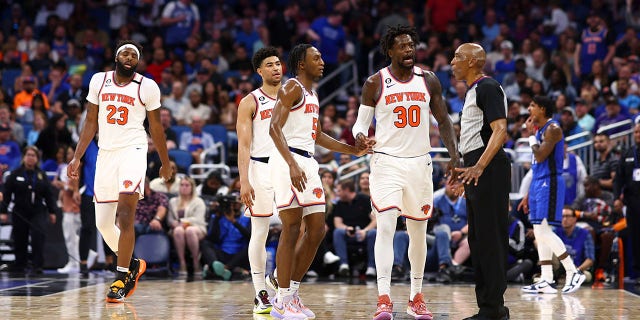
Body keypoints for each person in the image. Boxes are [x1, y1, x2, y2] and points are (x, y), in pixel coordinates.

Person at [353, 25, 460, 320]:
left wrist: (455, 156)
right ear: (390, 51)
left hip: (419, 164)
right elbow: (360, 125)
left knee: (417, 231)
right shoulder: (375, 82)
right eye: (402, 46)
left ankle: (416, 296)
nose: (409, 50)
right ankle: (384, 297)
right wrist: (361, 137)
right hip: (386, 163)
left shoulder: (429, 80)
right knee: (386, 226)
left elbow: (444, 120)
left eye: (412, 45)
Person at [67, 40, 172, 303]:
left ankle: (122, 275)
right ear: (116, 57)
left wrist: (165, 160)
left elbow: (156, 127)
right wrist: (77, 157)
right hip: (106, 154)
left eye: (134, 54)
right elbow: (91, 121)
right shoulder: (98, 81)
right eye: (125, 52)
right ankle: (133, 263)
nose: (130, 57)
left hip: (134, 150)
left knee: (126, 214)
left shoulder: (147, 86)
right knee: (102, 223)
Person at [267, 43, 368, 320]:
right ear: (302, 63)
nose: (322, 61)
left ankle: (293, 293)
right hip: (288, 160)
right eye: (317, 58)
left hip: (308, 161)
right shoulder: (291, 88)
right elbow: (273, 128)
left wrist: (352, 149)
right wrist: (291, 164)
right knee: (290, 228)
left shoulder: (312, 93)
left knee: (317, 229)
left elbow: (318, 135)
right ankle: (281, 299)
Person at [451, 42, 510, 320]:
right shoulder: (473, 91)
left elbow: (501, 131)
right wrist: (464, 167)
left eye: (458, 57)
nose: (452, 62)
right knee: (477, 239)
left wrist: (479, 166)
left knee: (490, 238)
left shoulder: (488, 87)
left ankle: (495, 309)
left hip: (489, 167)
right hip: (476, 166)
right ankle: (486, 307)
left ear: (474, 61)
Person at [517, 95, 586, 295]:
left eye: (532, 105)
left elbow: (540, 155)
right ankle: (547, 279)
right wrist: (529, 193)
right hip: (539, 181)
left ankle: (573, 272)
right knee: (538, 232)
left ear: (542, 109)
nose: (528, 108)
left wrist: (530, 135)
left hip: (551, 182)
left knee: (545, 231)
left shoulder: (553, 129)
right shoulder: (540, 130)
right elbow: (537, 165)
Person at [236, 46, 282, 315]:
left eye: (278, 63)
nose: (276, 68)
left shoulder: (293, 96)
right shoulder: (250, 101)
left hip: (287, 168)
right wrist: (244, 180)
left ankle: (277, 274)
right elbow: (243, 145)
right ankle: (260, 292)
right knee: (260, 231)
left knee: (301, 223)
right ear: (259, 71)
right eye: (270, 64)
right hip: (260, 168)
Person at [0, 146, 57, 274]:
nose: (30, 158)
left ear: (37, 159)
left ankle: (38, 265)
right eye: (28, 155)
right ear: (24, 157)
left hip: (37, 210)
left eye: (33, 155)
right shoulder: (16, 174)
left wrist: (52, 211)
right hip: (20, 210)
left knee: (38, 236)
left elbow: (49, 194)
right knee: (20, 237)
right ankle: (20, 264)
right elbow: (7, 192)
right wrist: (3, 211)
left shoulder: (41, 175)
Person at [614, 123, 640, 287]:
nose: (638, 134)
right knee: (636, 237)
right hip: (633, 203)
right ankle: (638, 273)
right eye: (636, 131)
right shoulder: (628, 153)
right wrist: (617, 197)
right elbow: (618, 179)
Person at [167, 176, 207, 275]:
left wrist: (183, 222)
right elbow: (169, 219)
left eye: (187, 185)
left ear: (192, 187)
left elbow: (198, 219)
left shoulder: (199, 201)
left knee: (190, 231)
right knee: (178, 230)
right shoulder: (173, 202)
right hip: (178, 229)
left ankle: (196, 262)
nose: (184, 187)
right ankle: (182, 263)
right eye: (182, 185)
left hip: (197, 228)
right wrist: (174, 223)